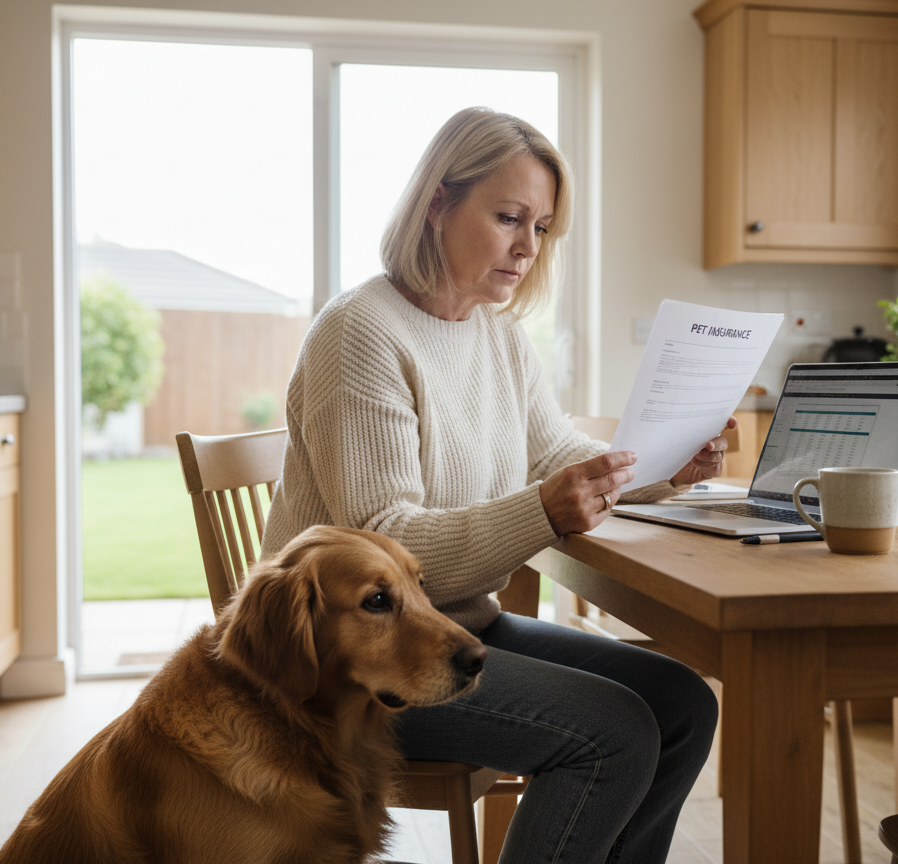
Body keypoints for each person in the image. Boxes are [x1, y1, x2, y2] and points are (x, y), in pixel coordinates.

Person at [262, 107, 731, 864]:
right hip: (356, 667)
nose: (527, 246)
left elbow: (556, 453)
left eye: (542, 227)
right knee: (612, 734)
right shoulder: (361, 333)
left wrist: (660, 465)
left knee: (680, 704)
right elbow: (388, 544)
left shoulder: (497, 334)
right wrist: (544, 508)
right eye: (509, 216)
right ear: (437, 205)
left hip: (458, 631)